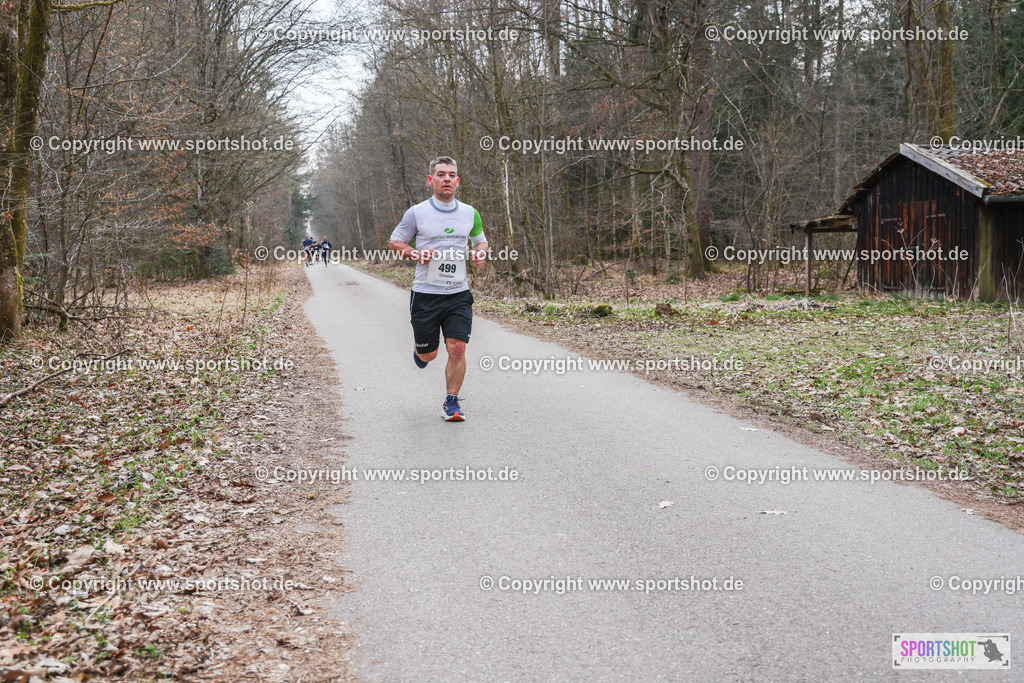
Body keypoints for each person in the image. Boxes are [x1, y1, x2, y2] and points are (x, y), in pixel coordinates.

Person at [388, 156, 488, 421]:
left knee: (457, 347)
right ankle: (420, 350)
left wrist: (480, 253)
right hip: (425, 294)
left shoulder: (470, 212)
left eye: (451, 174)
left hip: (458, 293)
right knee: (429, 354)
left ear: (458, 181)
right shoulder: (417, 212)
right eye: (441, 174)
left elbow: (481, 242)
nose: (447, 179)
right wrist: (415, 254)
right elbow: (395, 242)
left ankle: (451, 402)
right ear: (431, 180)